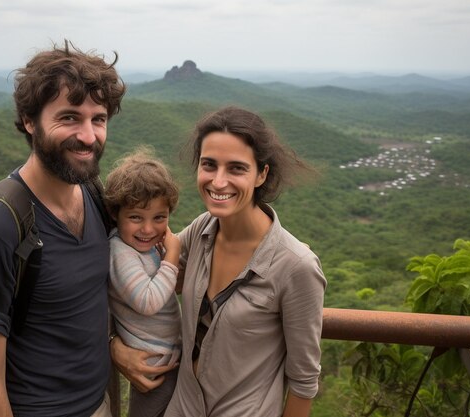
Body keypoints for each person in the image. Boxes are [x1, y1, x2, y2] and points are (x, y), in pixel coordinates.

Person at [111, 106, 327, 417]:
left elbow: (304, 382)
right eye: (209, 165)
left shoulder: (296, 267)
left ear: (261, 174)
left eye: (237, 168)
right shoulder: (202, 232)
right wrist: (114, 345)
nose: (218, 181)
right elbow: (135, 257)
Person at [0, 40, 125, 417]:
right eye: (69, 117)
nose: (88, 136)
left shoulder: (94, 196)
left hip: (100, 404)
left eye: (98, 119)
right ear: (30, 121)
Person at [104, 149, 182, 417]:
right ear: (116, 214)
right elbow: (148, 302)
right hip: (152, 367)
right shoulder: (120, 253)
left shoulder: (143, 247)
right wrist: (171, 257)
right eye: (136, 217)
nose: (148, 229)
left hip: (165, 360)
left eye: (159, 218)